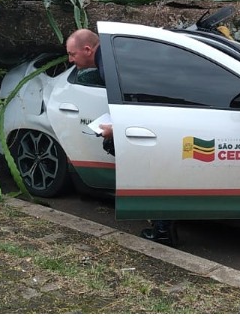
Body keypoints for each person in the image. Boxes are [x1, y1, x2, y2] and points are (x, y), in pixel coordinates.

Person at [66, 29, 178, 247]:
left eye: (72, 54)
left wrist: (114, 130)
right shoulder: (113, 54)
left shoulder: (108, 66)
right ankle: (163, 227)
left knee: (150, 175)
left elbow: (136, 104)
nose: (70, 60)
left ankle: (163, 230)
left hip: (154, 125)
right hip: (163, 119)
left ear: (87, 50)